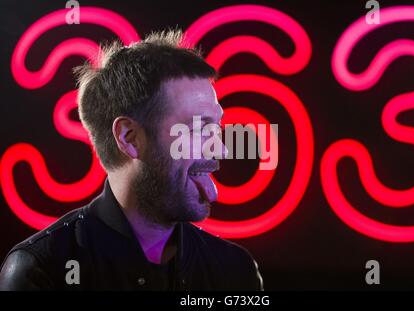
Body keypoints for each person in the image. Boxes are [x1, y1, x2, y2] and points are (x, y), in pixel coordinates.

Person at [0, 30, 263, 290]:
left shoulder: (235, 270)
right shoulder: (42, 270)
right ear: (129, 138)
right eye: (197, 128)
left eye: (216, 127)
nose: (222, 151)